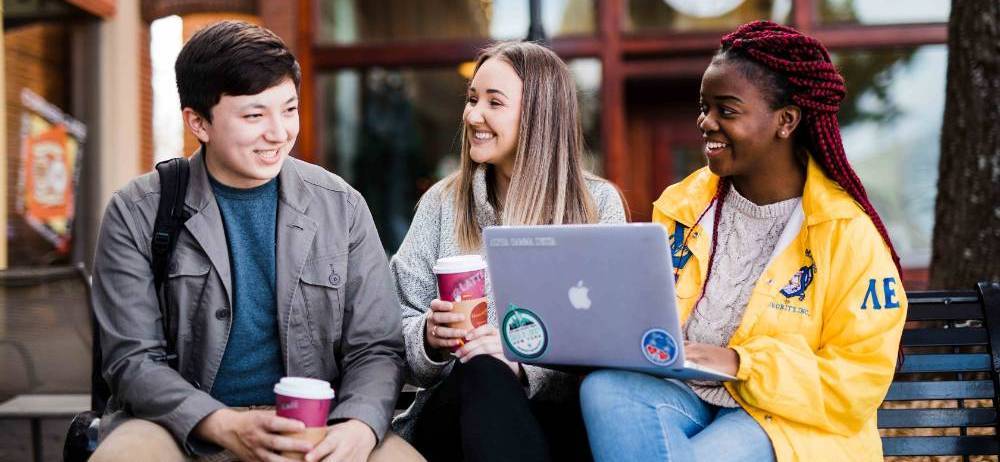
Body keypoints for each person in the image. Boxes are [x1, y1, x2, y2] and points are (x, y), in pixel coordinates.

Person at [89, 21, 422, 462]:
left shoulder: (342, 206)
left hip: (317, 425)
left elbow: (376, 347)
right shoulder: (137, 210)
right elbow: (132, 361)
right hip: (176, 426)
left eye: (289, 109)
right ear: (198, 122)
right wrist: (221, 424)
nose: (279, 132)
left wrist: (358, 424)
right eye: (254, 115)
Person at [579, 21, 908, 462]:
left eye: (726, 111)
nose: (705, 122)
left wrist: (739, 363)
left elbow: (858, 383)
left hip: (787, 420)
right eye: (703, 107)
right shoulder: (681, 207)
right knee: (604, 389)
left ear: (786, 121)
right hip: (688, 396)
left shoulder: (848, 234)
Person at [390, 41, 627, 462]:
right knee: (482, 368)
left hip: (556, 417)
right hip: (455, 416)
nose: (471, 115)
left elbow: (610, 343)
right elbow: (391, 331)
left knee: (505, 374)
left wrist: (522, 365)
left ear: (539, 116)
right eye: (471, 99)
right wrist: (428, 338)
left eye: (493, 103)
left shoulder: (596, 204)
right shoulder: (443, 203)